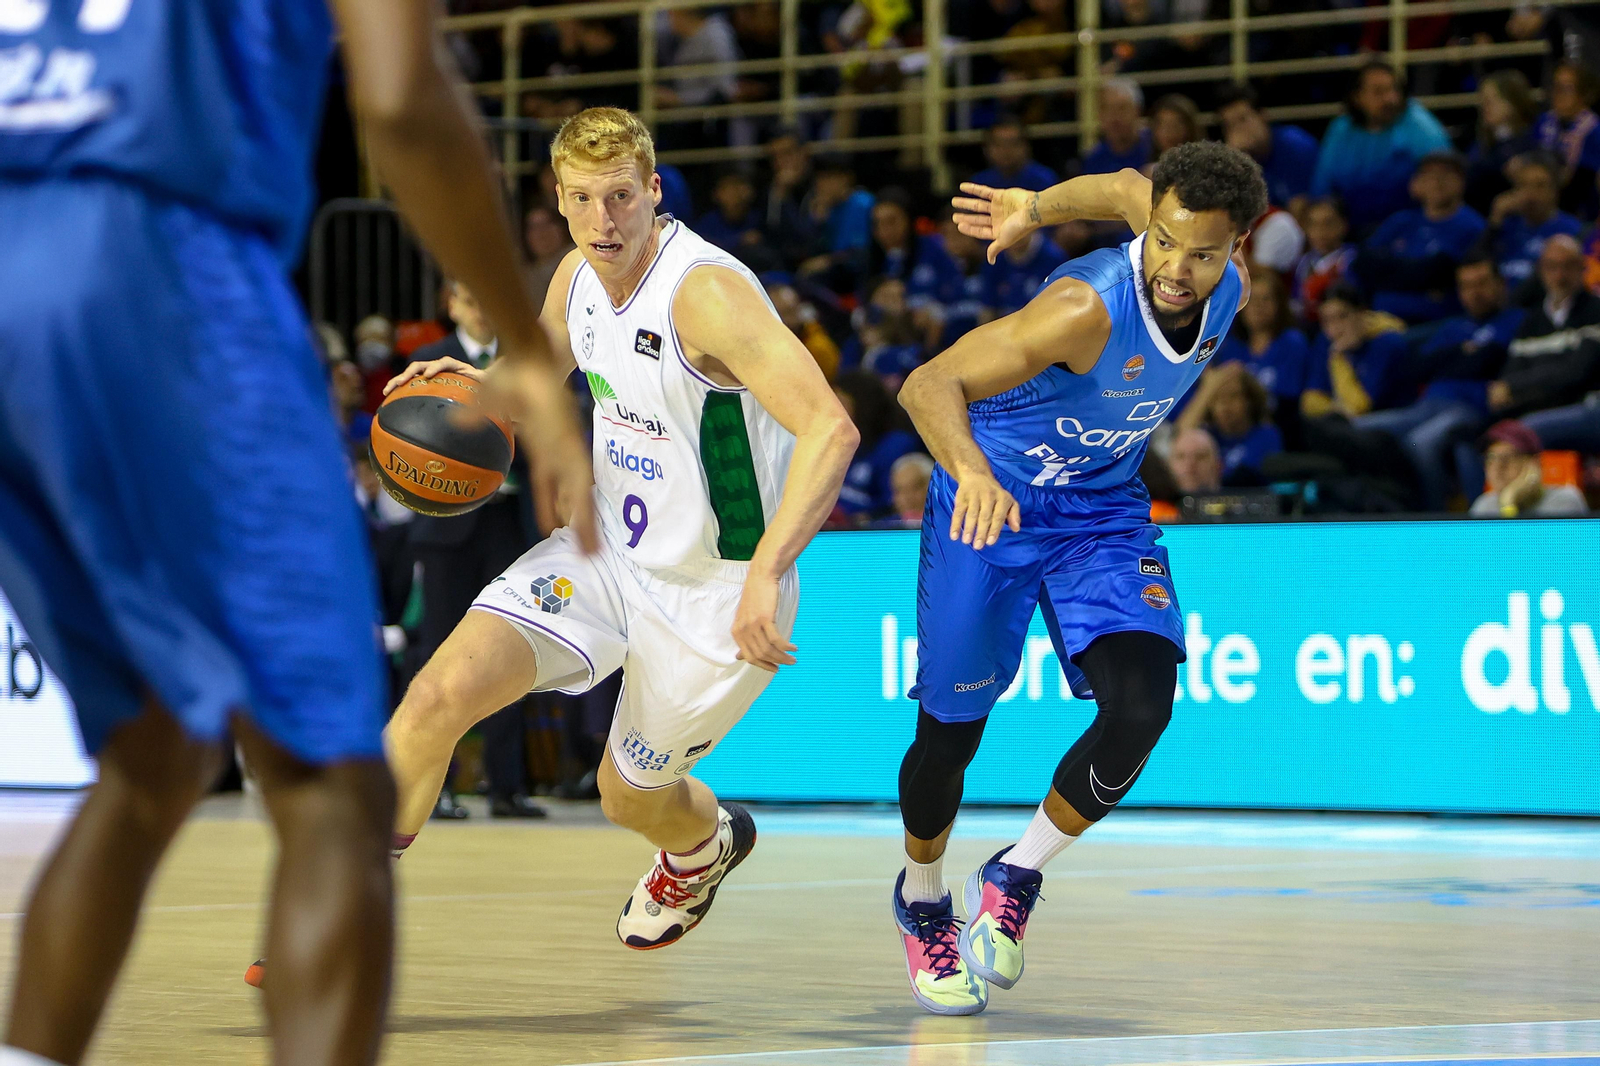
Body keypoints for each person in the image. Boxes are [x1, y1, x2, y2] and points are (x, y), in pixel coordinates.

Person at [0, 0, 595, 1062]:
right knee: (332, 786)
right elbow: (400, 96)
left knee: (151, 754)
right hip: (158, 255)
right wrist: (527, 346)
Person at [365, 108, 858, 956]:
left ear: (653, 192)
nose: (605, 220)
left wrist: (770, 573)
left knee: (625, 797)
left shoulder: (705, 295)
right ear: (559, 201)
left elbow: (832, 429)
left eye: (622, 197)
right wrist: (468, 385)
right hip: (607, 561)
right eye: (585, 200)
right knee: (432, 700)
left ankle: (703, 846)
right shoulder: (576, 276)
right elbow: (536, 368)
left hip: (716, 593)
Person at [895, 142, 1265, 1014]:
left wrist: (1035, 202)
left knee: (1143, 707)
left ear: (1239, 246)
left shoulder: (1222, 281)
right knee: (950, 734)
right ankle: (921, 899)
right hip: (994, 499)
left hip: (1099, 510)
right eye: (1164, 243)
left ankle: (1015, 874)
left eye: (1202, 253)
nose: (1176, 268)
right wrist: (973, 473)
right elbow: (927, 383)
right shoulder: (1083, 307)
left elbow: (1124, 187)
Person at [404, 282, 550, 823]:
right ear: (453, 305)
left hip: (510, 526)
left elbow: (550, 434)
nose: (482, 307)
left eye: (486, 296)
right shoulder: (426, 361)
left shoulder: (521, 361)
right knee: (436, 653)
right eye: (471, 297)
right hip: (446, 527)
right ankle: (432, 789)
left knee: (510, 653)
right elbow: (413, 442)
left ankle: (506, 787)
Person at [1357, 256, 1524, 510]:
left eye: (1481, 283)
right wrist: (1462, 353)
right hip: (1425, 407)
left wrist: (1456, 358)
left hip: (1469, 409)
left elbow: (1489, 361)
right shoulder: (1453, 327)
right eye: (1466, 286)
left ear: (1501, 284)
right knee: (1358, 428)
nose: (1474, 293)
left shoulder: (1516, 321)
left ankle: (1436, 521)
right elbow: (1417, 368)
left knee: (1420, 442)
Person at [1311, 61, 1451, 232]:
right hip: (1351, 230)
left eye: (1393, 90)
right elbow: (1322, 187)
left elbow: (1446, 180)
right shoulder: (1341, 129)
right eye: (1378, 92)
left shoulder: (1419, 125)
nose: (1390, 99)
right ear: (1357, 97)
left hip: (1409, 229)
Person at [1357, 151, 1486, 325]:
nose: (1436, 182)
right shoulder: (1400, 221)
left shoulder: (1472, 227)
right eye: (1429, 175)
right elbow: (1364, 263)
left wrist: (1387, 274)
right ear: (1417, 182)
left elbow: (1440, 273)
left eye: (1445, 175)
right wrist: (1418, 274)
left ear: (1461, 182)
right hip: (1380, 320)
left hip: (1433, 322)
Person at [1212, 267, 1312, 429]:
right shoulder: (1230, 347)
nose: (1258, 307)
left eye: (1265, 299)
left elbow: (1288, 402)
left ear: (1279, 304)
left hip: (1279, 427)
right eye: (1252, 300)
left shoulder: (1292, 343)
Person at [1489, 151, 1586, 289]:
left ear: (1555, 191)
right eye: (1523, 185)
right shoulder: (1504, 226)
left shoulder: (1572, 231)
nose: (1531, 194)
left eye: (1540, 186)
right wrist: (1494, 222)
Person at [1216, 82, 1320, 212]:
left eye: (1243, 120)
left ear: (1263, 116)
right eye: (1229, 126)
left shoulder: (1296, 145)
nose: (1238, 130)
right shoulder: (1234, 160)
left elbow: (1299, 213)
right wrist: (1235, 160)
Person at [1470, 420, 1589, 516]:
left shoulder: (1563, 501)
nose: (1498, 467)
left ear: (1534, 463)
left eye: (1508, 457)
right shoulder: (1484, 507)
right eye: (1491, 458)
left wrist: (1509, 502)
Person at [1467, 69, 1542, 211]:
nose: (1484, 106)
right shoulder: (1480, 144)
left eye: (1491, 100)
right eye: (1482, 100)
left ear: (1513, 102)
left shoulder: (1532, 140)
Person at [1535, 59, 1600, 218]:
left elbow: (1585, 181)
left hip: (1580, 210)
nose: (1558, 95)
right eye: (1556, 87)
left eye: (1566, 89)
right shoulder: (1544, 122)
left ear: (1585, 94)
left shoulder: (1594, 131)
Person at [1292, 197, 1356, 327]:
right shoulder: (1303, 263)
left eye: (1328, 223)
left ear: (1343, 225)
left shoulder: (1351, 259)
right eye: (1313, 224)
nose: (1320, 231)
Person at [970, 116, 1059, 193]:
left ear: (1026, 146)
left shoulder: (1045, 180)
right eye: (999, 144)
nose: (1006, 150)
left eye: (1013, 143)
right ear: (987, 149)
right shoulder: (978, 183)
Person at [1168, 426, 1224, 495]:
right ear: (1169, 465)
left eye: (1200, 456)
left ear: (1218, 466)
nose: (1190, 464)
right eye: (1181, 457)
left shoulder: (1237, 505)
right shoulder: (1155, 504)